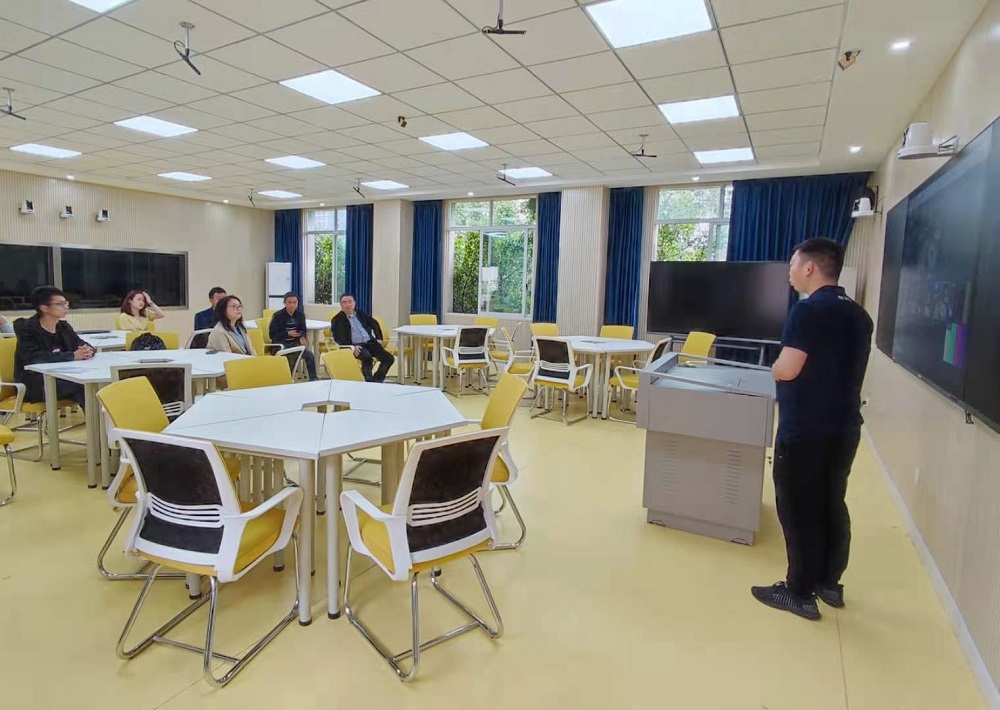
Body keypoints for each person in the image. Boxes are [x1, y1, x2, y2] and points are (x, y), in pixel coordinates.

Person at [751, 238, 873, 621]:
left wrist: (773, 367)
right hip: (844, 427)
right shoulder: (858, 315)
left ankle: (799, 592)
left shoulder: (807, 311)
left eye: (793, 264)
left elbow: (787, 369)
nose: (789, 272)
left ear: (809, 268)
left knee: (798, 509)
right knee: (831, 502)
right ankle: (829, 583)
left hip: (805, 431)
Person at [13, 286, 93, 408]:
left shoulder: (63, 327)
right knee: (82, 387)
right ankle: (97, 420)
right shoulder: (27, 329)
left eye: (66, 303)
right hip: (34, 383)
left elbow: (80, 343)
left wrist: (87, 350)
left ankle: (101, 419)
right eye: (60, 304)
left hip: (62, 376)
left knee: (91, 385)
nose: (66, 307)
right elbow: (32, 357)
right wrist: (72, 355)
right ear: (44, 308)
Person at [331, 292, 393, 383]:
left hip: (370, 342)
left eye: (350, 301)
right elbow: (338, 338)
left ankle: (377, 380)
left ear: (354, 303)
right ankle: (368, 381)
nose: (347, 305)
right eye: (344, 302)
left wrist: (379, 338)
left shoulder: (360, 313)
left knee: (389, 359)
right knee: (367, 358)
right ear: (340, 305)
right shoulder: (337, 319)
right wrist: (352, 347)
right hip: (356, 345)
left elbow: (374, 323)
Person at [268, 292, 317, 381]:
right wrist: (287, 333)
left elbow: (303, 330)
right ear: (284, 303)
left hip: (294, 343)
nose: (292, 305)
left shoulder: (300, 315)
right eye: (289, 302)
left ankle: (313, 379)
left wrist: (302, 337)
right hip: (280, 344)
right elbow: (272, 334)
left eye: (294, 302)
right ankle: (287, 379)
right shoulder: (278, 316)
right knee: (291, 354)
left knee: (309, 354)